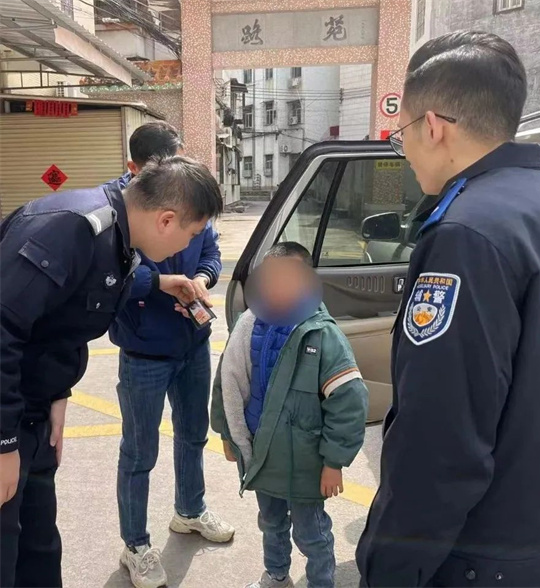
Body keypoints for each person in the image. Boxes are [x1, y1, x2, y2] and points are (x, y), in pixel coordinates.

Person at [356, 31, 540, 587]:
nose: (405, 152)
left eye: (401, 135)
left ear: (433, 126)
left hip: (467, 555)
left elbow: (441, 438)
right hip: (536, 542)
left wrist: (388, 566)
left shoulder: (465, 234)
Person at [0, 155, 223, 588]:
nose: (188, 247)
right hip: (9, 419)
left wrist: (58, 396)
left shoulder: (119, 241)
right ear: (166, 220)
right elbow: (4, 328)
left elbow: (59, 323)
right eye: (192, 234)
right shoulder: (71, 229)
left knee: (38, 547)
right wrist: (4, 442)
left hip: (34, 412)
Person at [107, 122, 234, 588]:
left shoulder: (191, 196)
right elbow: (112, 275)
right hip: (144, 351)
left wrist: (202, 279)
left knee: (193, 434)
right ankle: (136, 545)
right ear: (135, 169)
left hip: (192, 343)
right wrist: (162, 283)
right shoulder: (118, 212)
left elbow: (212, 251)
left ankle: (190, 510)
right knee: (139, 452)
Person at [211, 242, 368, 588]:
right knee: (271, 523)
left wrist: (334, 462)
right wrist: (227, 433)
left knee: (311, 533)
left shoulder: (322, 335)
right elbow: (227, 381)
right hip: (263, 454)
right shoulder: (249, 325)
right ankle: (276, 574)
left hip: (304, 462)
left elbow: (349, 402)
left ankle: (320, 582)